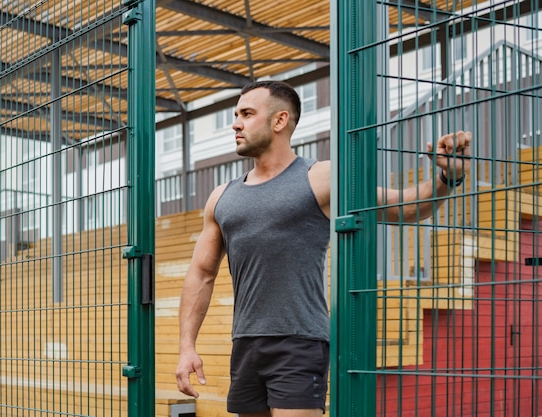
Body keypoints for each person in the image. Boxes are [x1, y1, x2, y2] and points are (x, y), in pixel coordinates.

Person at [175, 80, 472, 416]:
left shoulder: (321, 177)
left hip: (299, 341)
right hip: (244, 342)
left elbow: (403, 207)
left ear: (279, 120)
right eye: (236, 114)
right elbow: (201, 274)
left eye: (246, 113)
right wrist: (187, 346)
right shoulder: (221, 197)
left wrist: (447, 179)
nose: (235, 123)